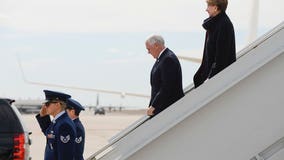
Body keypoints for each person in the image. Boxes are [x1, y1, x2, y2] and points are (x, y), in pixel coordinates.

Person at [193, 0, 236, 88]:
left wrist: (209, 79)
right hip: (207, 77)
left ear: (216, 8)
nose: (206, 9)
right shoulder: (213, 25)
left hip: (216, 82)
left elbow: (221, 58)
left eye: (208, 5)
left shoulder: (224, 26)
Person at [145, 35, 184, 116]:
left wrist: (154, 106)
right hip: (161, 108)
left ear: (156, 46)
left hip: (168, 109)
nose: (148, 52)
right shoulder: (161, 59)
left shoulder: (168, 59)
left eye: (149, 49)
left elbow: (167, 86)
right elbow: (155, 88)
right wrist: (151, 106)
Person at [36, 90, 76, 160]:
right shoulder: (58, 121)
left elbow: (65, 156)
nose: (45, 107)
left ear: (57, 105)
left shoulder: (64, 125)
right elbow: (49, 134)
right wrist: (43, 117)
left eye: (47, 104)